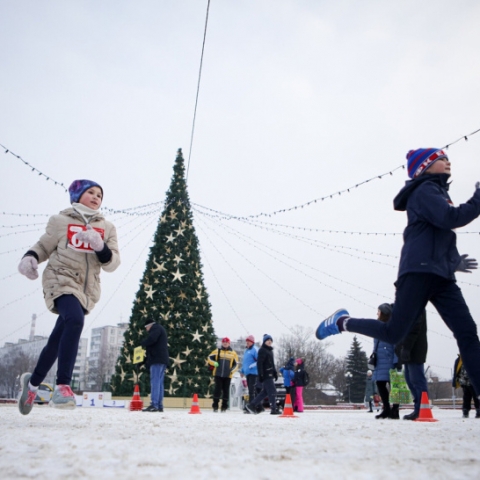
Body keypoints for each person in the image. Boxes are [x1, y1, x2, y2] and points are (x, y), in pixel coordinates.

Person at [316, 148, 480, 403]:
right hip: (417, 272)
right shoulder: (424, 190)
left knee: (467, 332)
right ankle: (342, 322)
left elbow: (437, 234)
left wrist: (452, 262)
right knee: (394, 333)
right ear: (424, 167)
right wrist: (478, 199)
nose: (448, 162)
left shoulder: (437, 191)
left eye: (447, 158)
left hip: (441, 277)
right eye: (441, 159)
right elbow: (450, 218)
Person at [17, 180, 120, 415]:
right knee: (74, 320)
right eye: (90, 193)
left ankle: (32, 384)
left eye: (99, 195)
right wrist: (30, 258)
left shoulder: (107, 227)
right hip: (60, 279)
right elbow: (44, 245)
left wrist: (99, 245)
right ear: (77, 196)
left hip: (86, 290)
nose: (96, 197)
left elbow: (112, 262)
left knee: (57, 338)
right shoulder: (60, 221)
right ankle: (63, 386)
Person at [395, 310, 428, 420]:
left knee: (417, 380)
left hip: (415, 349)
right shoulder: (410, 306)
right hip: (409, 349)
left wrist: (406, 348)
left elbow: (413, 329)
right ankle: (418, 408)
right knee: (409, 380)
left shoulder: (417, 307)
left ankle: (422, 409)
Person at [371, 303, 398, 419]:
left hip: (390, 359)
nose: (377, 313)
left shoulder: (392, 326)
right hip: (380, 361)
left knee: (394, 386)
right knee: (380, 383)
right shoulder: (378, 326)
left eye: (379, 311)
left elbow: (397, 344)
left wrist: (397, 360)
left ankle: (395, 410)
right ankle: (387, 408)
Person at [245, 334, 281, 415]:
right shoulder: (262, 350)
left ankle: (252, 405)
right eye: (268, 340)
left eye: (270, 340)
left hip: (270, 373)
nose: (269, 342)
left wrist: (275, 372)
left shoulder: (270, 351)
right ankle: (273, 408)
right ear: (264, 341)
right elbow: (259, 363)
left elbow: (272, 363)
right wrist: (261, 374)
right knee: (272, 391)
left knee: (264, 392)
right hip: (265, 374)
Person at [141, 317, 169, 412]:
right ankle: (159, 405)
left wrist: (142, 343)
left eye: (146, 328)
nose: (146, 330)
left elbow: (151, 340)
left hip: (157, 359)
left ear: (149, 325)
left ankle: (154, 405)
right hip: (162, 359)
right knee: (159, 382)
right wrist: (144, 361)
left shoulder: (155, 328)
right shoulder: (160, 329)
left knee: (155, 382)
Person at [207, 337, 239, 412]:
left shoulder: (233, 353)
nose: (225, 344)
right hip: (218, 374)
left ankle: (224, 407)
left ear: (229, 343)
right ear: (222, 343)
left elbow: (236, 364)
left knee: (225, 391)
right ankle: (215, 406)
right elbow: (209, 358)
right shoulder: (217, 351)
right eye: (224, 342)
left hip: (228, 376)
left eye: (226, 342)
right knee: (217, 390)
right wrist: (214, 363)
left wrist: (231, 371)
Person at [453, 354, 480, 418]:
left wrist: (456, 380)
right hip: (473, 380)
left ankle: (466, 411)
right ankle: (477, 410)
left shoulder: (460, 359)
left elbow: (456, 370)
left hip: (464, 380)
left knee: (466, 397)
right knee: (475, 396)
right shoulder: (474, 356)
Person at [240, 334, 258, 410]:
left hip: (254, 373)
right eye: (246, 341)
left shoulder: (255, 350)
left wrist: (252, 366)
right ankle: (253, 405)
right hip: (248, 373)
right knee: (250, 390)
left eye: (249, 341)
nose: (247, 343)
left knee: (252, 390)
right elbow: (245, 362)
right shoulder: (246, 351)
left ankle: (252, 406)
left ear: (252, 342)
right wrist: (242, 371)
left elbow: (259, 360)